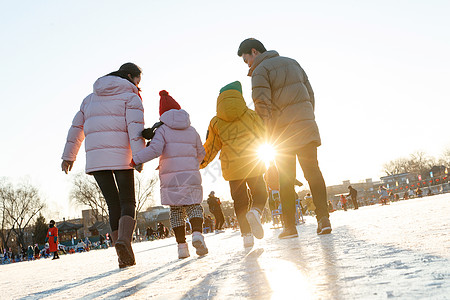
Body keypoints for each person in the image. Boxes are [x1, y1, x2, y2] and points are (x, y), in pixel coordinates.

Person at [237, 38, 331, 238]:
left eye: (246, 60)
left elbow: (262, 105)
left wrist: (266, 134)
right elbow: (310, 93)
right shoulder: (292, 62)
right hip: (305, 127)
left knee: (286, 180)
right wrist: (306, 117)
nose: (248, 65)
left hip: (283, 135)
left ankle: (290, 227)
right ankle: (323, 219)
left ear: (254, 52)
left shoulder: (260, 71)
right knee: (313, 172)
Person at [61, 63, 145, 268]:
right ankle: (124, 241)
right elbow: (135, 129)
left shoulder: (89, 99)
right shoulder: (131, 97)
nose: (138, 85)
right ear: (129, 76)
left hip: (97, 161)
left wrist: (68, 156)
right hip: (122, 158)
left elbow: (76, 129)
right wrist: (139, 157)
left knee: (113, 204)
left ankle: (122, 255)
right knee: (128, 202)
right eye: (137, 80)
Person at [131, 90, 208, 259]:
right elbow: (201, 153)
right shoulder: (192, 130)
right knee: (194, 205)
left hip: (171, 177)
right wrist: (194, 164)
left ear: (162, 114)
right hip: (191, 175)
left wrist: (136, 159)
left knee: (176, 211)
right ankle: (197, 234)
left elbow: (155, 149)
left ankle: (182, 247)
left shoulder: (162, 130)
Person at [200, 81, 268, 248]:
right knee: (261, 193)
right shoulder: (250, 115)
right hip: (253, 162)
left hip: (232, 167)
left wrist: (199, 162)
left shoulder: (215, 122)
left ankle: (246, 236)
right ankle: (256, 212)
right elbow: (263, 134)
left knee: (240, 201)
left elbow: (211, 146)